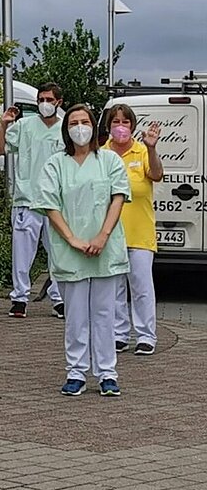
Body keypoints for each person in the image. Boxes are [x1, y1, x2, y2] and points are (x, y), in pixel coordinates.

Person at [34, 105, 130, 397]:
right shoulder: (55, 164)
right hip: (70, 250)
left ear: (94, 126)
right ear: (66, 129)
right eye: (73, 122)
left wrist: (102, 236)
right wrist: (73, 239)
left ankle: (106, 373)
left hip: (105, 248)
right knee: (75, 315)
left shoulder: (110, 160)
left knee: (104, 313)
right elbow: (50, 205)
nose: (79, 127)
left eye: (85, 121)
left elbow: (118, 198)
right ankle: (75, 372)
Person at [0, 82, 66, 318]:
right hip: (27, 200)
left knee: (59, 253)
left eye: (49, 99)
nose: (45, 104)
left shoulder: (66, 129)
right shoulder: (23, 126)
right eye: (41, 99)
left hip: (56, 203)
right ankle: (20, 298)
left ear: (59, 102)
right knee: (22, 254)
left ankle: (58, 299)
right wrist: (3, 125)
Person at [101, 105, 163, 356]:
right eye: (116, 121)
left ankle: (146, 336)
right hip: (111, 233)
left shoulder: (142, 150)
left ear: (132, 126)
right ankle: (119, 334)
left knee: (141, 286)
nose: (120, 126)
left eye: (125, 122)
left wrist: (151, 147)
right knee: (114, 287)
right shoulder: (102, 153)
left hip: (139, 232)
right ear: (108, 126)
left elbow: (157, 175)